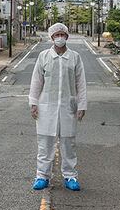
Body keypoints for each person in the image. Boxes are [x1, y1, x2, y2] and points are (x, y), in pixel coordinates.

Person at [29, 22, 87, 191]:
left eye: (62, 34)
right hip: (46, 106)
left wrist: (82, 105)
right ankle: (42, 176)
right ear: (52, 37)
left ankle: (70, 176)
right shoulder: (44, 57)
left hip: (68, 106)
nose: (60, 38)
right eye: (56, 35)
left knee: (68, 144)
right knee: (45, 144)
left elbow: (81, 83)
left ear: (67, 37)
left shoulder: (75, 57)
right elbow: (36, 81)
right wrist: (33, 103)